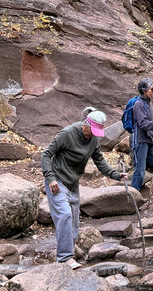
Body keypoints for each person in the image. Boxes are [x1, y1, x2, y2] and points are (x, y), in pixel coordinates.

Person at [40, 107, 122, 267]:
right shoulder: (67, 134)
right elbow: (46, 154)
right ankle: (64, 258)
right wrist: (50, 178)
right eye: (92, 131)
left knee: (74, 222)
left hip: (73, 184)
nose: (93, 135)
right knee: (65, 215)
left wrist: (116, 175)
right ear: (86, 125)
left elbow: (100, 162)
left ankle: (68, 253)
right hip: (57, 181)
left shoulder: (93, 140)